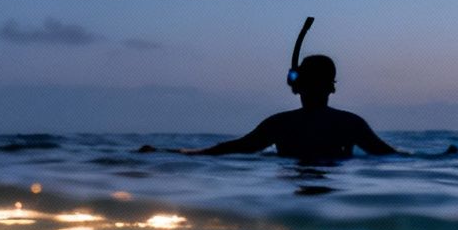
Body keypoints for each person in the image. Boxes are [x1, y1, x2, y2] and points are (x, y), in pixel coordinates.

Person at [152, 53, 398, 161]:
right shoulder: (349, 123)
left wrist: (168, 152)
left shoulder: (280, 124)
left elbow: (229, 149)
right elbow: (389, 156)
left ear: (296, 86)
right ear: (332, 88)